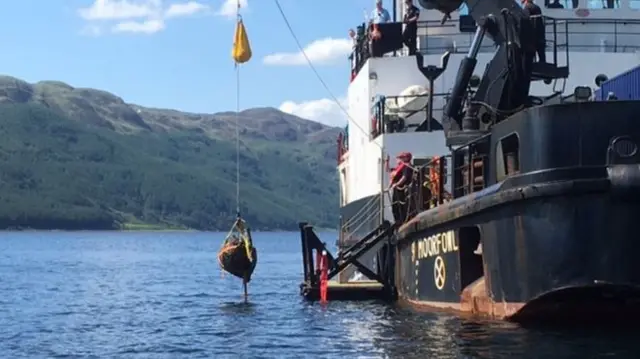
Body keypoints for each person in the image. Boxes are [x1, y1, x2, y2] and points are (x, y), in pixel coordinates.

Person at [387, 151, 414, 223]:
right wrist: (387, 161)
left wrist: (397, 184)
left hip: (402, 189)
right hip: (397, 190)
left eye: (401, 157)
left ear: (407, 158)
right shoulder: (399, 167)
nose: (399, 159)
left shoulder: (407, 166)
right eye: (399, 157)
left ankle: (402, 221)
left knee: (401, 207)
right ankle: (398, 221)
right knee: (395, 207)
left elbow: (404, 177)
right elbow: (389, 170)